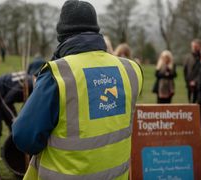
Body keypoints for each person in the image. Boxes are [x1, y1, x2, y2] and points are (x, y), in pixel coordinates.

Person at [12, 1, 143, 179]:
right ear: (96, 29)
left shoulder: (57, 74)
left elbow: (25, 139)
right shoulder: (131, 70)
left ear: (62, 34)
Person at [0, 71, 36, 180]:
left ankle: (18, 161)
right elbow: (6, 101)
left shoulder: (34, 83)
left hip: (4, 98)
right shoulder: (27, 85)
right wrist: (15, 119)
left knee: (16, 130)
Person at [184, 39, 201, 103]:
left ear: (200, 47)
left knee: (198, 103)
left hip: (199, 84)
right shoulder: (188, 57)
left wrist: (195, 81)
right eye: (193, 46)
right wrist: (188, 81)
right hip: (189, 83)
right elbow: (185, 70)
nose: (194, 48)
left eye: (195, 46)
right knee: (190, 102)